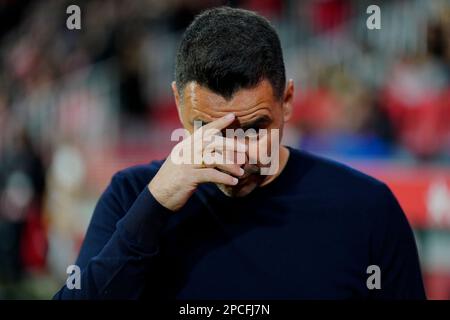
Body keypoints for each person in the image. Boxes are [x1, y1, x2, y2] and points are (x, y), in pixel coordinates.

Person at [54, 7, 426, 299]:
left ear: (288, 101)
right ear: (178, 105)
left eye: (253, 130)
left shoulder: (366, 210)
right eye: (210, 130)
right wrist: (154, 206)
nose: (236, 155)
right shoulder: (132, 197)